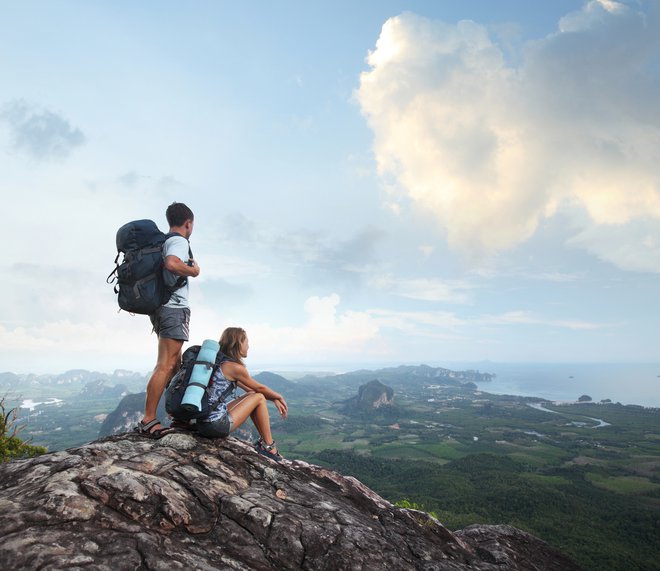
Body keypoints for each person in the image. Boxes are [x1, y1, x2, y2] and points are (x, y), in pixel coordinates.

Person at [135, 202, 201, 438]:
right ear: (188, 223)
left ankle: (178, 417)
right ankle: (149, 419)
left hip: (164, 308)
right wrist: (194, 271)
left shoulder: (164, 241)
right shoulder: (179, 241)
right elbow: (171, 263)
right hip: (173, 308)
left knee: (174, 364)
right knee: (166, 364)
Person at [196, 327, 288, 461]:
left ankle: (265, 443)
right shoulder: (235, 368)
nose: (248, 346)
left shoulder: (218, 362)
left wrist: (273, 398)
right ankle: (269, 447)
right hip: (215, 426)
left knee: (253, 396)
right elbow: (260, 389)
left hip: (202, 422)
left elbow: (251, 390)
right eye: (246, 342)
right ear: (238, 343)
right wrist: (278, 397)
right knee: (259, 398)